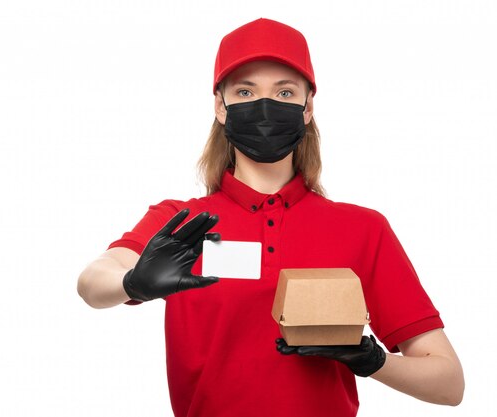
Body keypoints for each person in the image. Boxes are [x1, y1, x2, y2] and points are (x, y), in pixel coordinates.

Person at [77, 18, 464, 417]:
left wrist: (374, 362)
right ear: (220, 107)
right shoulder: (182, 222)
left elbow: (449, 383)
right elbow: (92, 283)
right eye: (246, 91)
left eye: (284, 91)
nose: (265, 106)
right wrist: (131, 281)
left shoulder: (363, 229)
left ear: (307, 107)